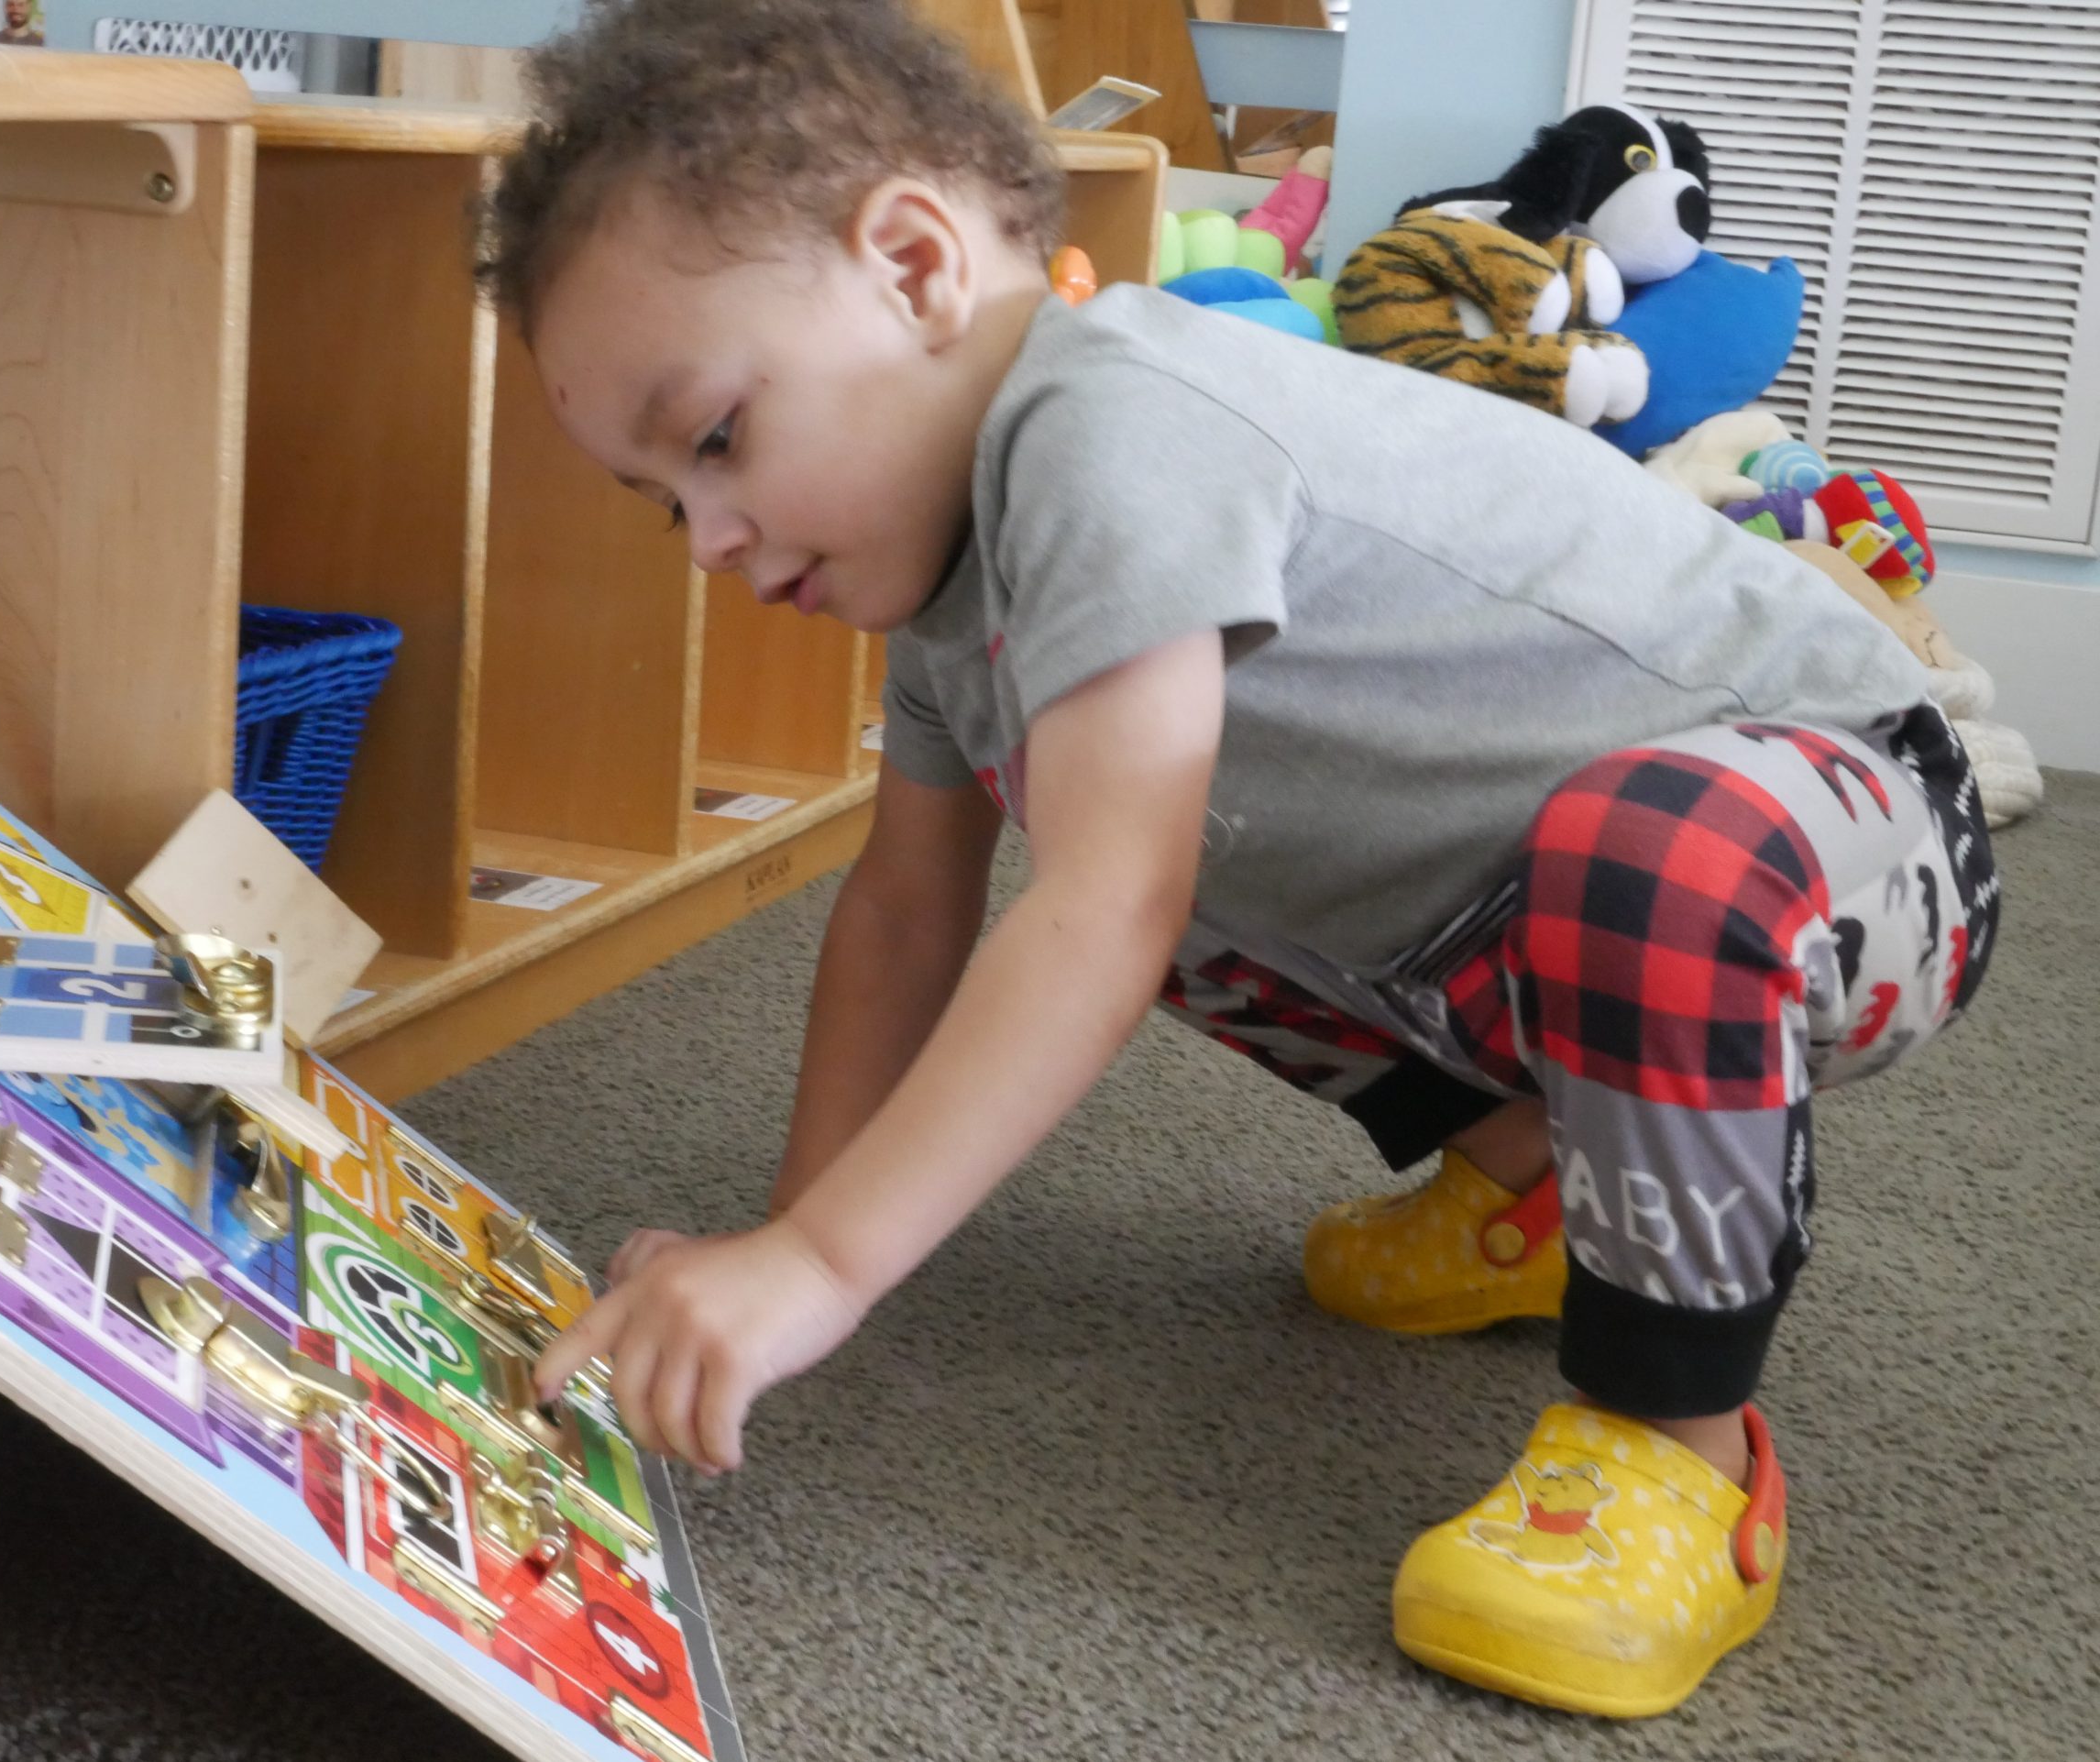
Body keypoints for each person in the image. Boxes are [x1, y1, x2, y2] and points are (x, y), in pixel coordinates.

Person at [496, 0, 1999, 1718]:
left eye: (711, 442)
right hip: (1530, 914)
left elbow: (1101, 910)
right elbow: (910, 906)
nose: (708, 540)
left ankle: (1686, 1449)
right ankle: (1536, 1183)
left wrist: (821, 1272)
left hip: (1853, 826)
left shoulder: (1113, 420)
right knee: (1135, 845)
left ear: (912, 268)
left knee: (1151, 882)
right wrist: (790, 1234)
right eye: (658, 500)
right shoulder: (944, 595)